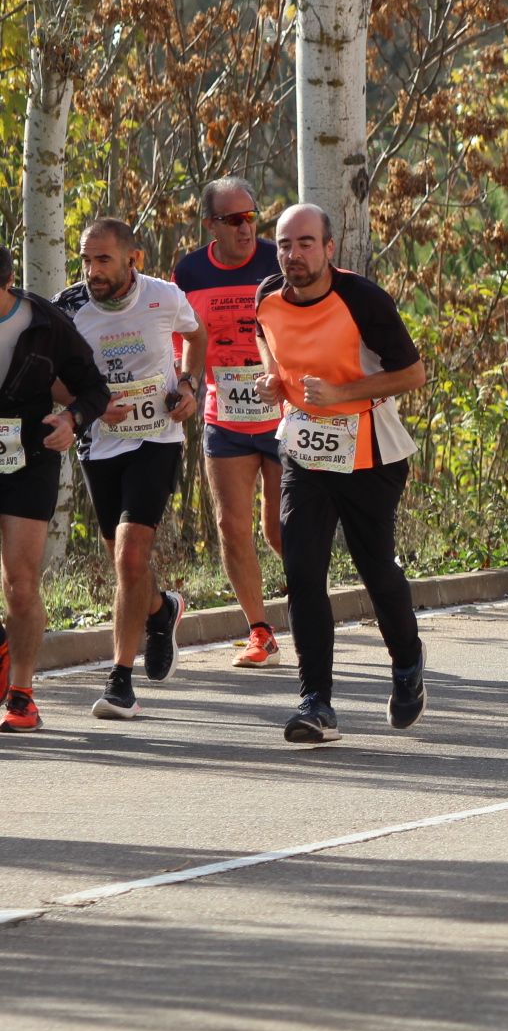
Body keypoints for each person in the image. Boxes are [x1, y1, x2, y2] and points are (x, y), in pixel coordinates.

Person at [254, 205, 429, 742]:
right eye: (285, 244)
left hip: (370, 451)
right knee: (303, 571)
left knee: (375, 568)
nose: (294, 255)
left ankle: (406, 662)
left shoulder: (363, 299)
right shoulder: (266, 297)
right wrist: (270, 380)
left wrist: (341, 394)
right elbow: (267, 341)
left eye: (306, 243)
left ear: (329, 248)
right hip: (305, 451)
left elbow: (413, 374)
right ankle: (316, 703)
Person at [56, 220, 204, 720]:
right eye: (85, 260)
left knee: (130, 554)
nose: (92, 271)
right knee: (124, 560)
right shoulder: (70, 307)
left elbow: (195, 333)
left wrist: (187, 385)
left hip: (157, 436)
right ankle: (161, 611)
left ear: (132, 259)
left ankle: (120, 680)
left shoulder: (163, 296)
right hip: (100, 443)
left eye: (103, 260)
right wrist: (86, 404)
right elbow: (52, 377)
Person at [173, 177, 285, 667]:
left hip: (284, 412)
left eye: (252, 216)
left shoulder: (277, 262)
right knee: (229, 524)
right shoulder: (191, 271)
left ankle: (311, 604)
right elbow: (182, 338)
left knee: (280, 530)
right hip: (227, 413)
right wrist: (187, 384)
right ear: (211, 225)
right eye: (235, 219)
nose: (247, 227)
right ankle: (259, 631)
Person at [0, 246, 111, 731]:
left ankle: (21, 694)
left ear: (5, 283)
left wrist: (72, 418)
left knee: (20, 586)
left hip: (30, 455)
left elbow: (95, 389)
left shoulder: (44, 322)